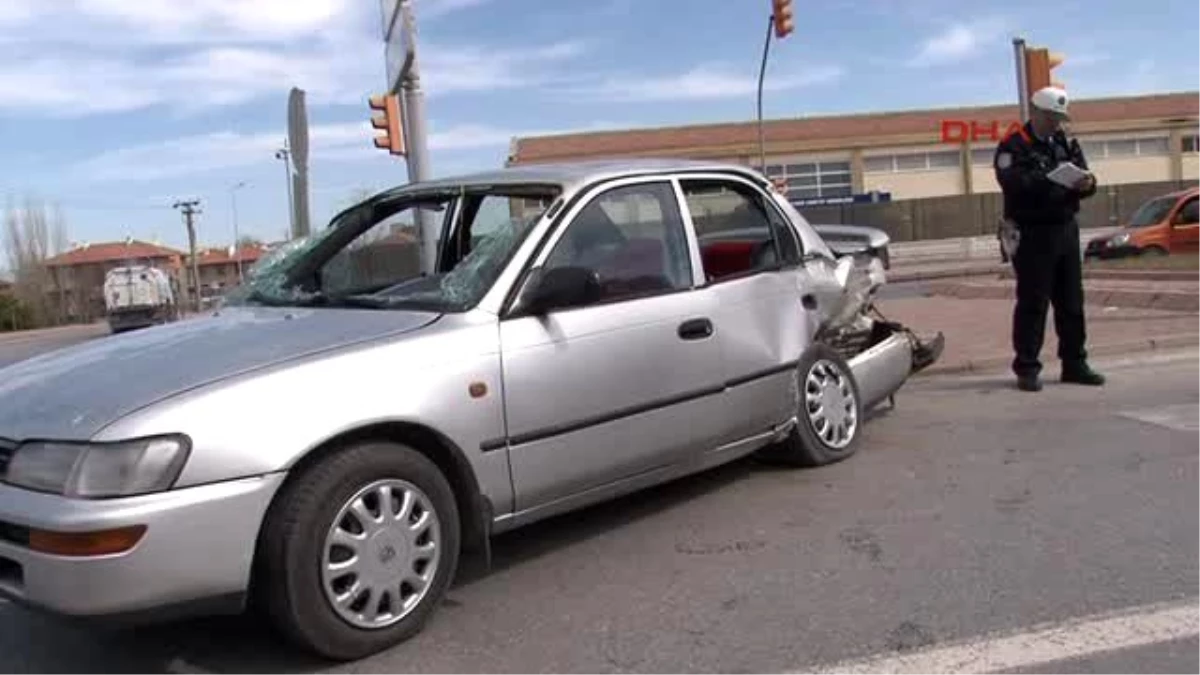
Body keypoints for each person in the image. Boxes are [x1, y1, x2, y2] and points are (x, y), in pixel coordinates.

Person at [994, 86, 1106, 392]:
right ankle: (1027, 368)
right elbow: (1013, 184)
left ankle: (1075, 363)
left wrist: (1086, 183)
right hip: (1032, 233)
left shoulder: (1065, 142)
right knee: (1033, 303)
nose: (1057, 123)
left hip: (1066, 229)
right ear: (1036, 113)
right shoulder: (1013, 146)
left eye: (1060, 117)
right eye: (1052, 117)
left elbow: (1086, 176)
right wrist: (1050, 177)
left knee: (1071, 301)